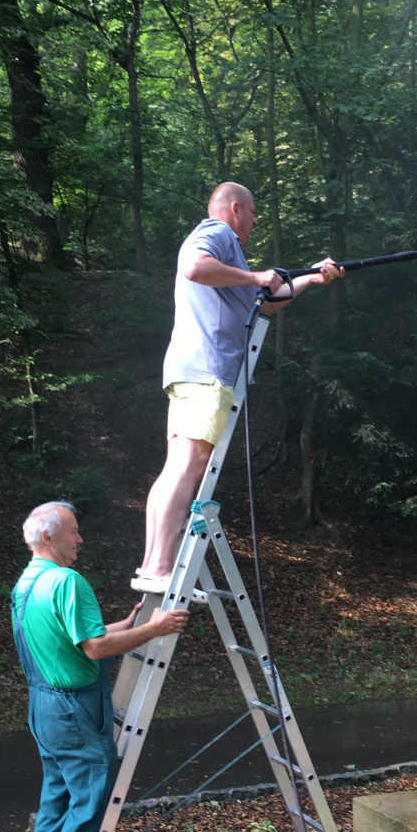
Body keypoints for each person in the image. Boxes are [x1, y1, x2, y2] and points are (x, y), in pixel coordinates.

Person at [135, 182, 343, 590]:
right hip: (209, 369)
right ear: (235, 208)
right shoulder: (217, 233)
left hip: (191, 369)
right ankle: (160, 567)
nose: (255, 221)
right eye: (252, 212)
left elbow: (265, 302)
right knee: (187, 466)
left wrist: (310, 277)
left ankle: (151, 564)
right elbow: (193, 266)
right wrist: (255, 275)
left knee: (177, 466)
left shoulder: (229, 259)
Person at [11, 500, 188, 832]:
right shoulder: (67, 581)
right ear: (48, 536)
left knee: (55, 809)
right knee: (87, 813)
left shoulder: (28, 581)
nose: (80, 538)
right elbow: (93, 649)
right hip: (74, 711)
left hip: (44, 709)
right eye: (73, 531)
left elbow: (72, 637)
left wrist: (124, 625)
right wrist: (155, 628)